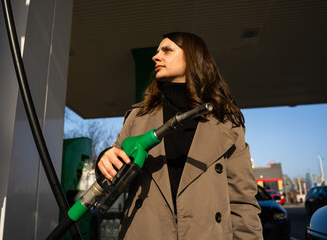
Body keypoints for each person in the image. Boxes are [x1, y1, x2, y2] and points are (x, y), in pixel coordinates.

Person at [96, 32, 263, 239]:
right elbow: (112, 182)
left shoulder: (227, 123)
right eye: (157, 52)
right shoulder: (137, 118)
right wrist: (105, 160)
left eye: (167, 50)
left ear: (194, 58)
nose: (155, 57)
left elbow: (243, 200)